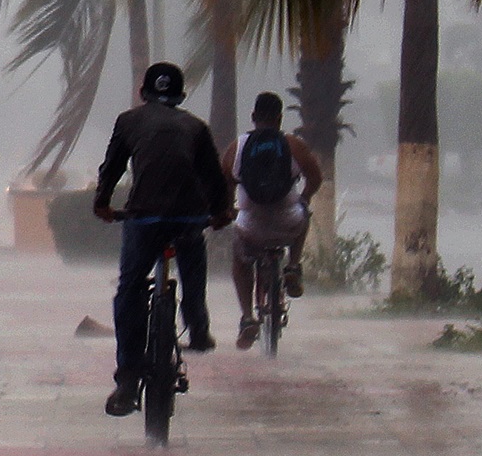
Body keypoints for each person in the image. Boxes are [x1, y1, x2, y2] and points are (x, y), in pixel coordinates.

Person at [93, 61, 231, 417]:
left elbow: (112, 167)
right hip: (188, 217)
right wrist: (219, 213)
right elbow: (214, 178)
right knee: (192, 264)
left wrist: (103, 203)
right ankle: (198, 328)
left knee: (130, 287)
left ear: (143, 94)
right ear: (181, 96)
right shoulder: (196, 127)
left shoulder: (128, 122)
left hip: (145, 217)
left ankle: (127, 379)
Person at [226, 91, 323, 350]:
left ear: (254, 116)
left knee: (240, 261)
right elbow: (316, 178)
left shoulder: (239, 146)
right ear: (280, 118)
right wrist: (303, 197)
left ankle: (247, 318)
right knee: (305, 213)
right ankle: (292, 266)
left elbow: (223, 183)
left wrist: (229, 210)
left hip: (251, 228)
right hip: (288, 223)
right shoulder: (293, 145)